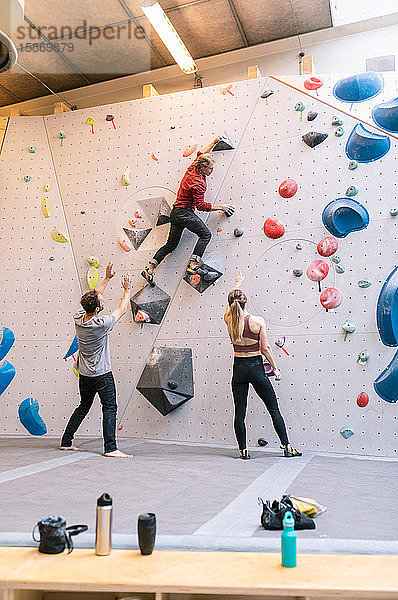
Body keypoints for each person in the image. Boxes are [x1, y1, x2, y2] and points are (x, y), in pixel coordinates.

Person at [224, 271, 302, 460]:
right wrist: (275, 369)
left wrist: (236, 284)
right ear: (246, 302)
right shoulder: (257, 322)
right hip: (256, 367)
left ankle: (243, 452)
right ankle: (287, 448)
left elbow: (231, 306)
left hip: (239, 368)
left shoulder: (228, 319)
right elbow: (265, 348)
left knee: (239, 412)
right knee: (273, 408)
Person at [60, 262, 133, 458]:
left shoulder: (79, 318)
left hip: (85, 374)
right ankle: (111, 448)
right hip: (101, 374)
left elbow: (92, 296)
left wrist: (107, 278)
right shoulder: (102, 323)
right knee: (109, 407)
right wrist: (126, 290)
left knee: (83, 406)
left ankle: (66, 442)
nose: (102, 298)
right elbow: (122, 309)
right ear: (98, 308)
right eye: (101, 300)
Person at [141, 135, 235, 286]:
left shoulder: (193, 167)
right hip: (185, 213)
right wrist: (221, 207)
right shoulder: (198, 183)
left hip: (176, 213)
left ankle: (150, 268)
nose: (212, 171)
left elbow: (200, 153)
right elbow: (201, 206)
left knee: (170, 245)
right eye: (210, 168)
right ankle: (193, 265)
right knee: (205, 234)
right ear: (203, 167)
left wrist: (214, 141)